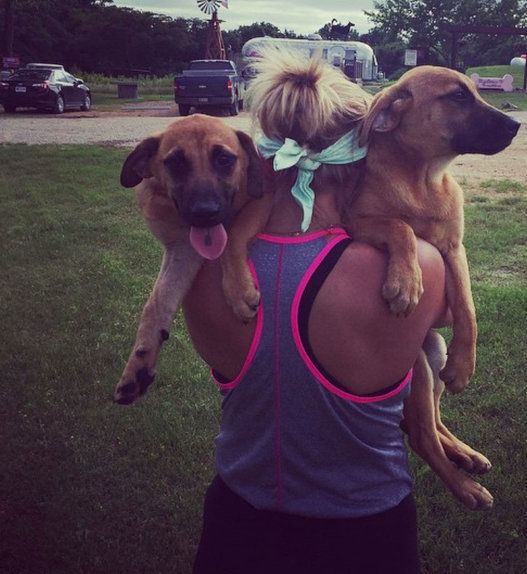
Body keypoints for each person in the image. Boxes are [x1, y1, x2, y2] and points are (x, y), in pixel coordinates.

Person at [183, 50, 449, 574]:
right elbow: (439, 334)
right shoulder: (420, 265)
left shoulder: (204, 273)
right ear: (364, 155)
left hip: (237, 524)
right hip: (367, 530)